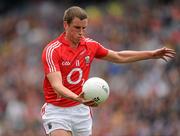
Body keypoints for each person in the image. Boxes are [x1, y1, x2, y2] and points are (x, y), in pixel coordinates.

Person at [41, 6, 176, 136]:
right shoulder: (52, 50)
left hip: (81, 110)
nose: (81, 32)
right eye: (77, 28)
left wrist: (151, 54)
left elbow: (118, 56)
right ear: (66, 25)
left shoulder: (90, 45)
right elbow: (57, 86)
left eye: (84, 28)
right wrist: (77, 97)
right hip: (57, 110)